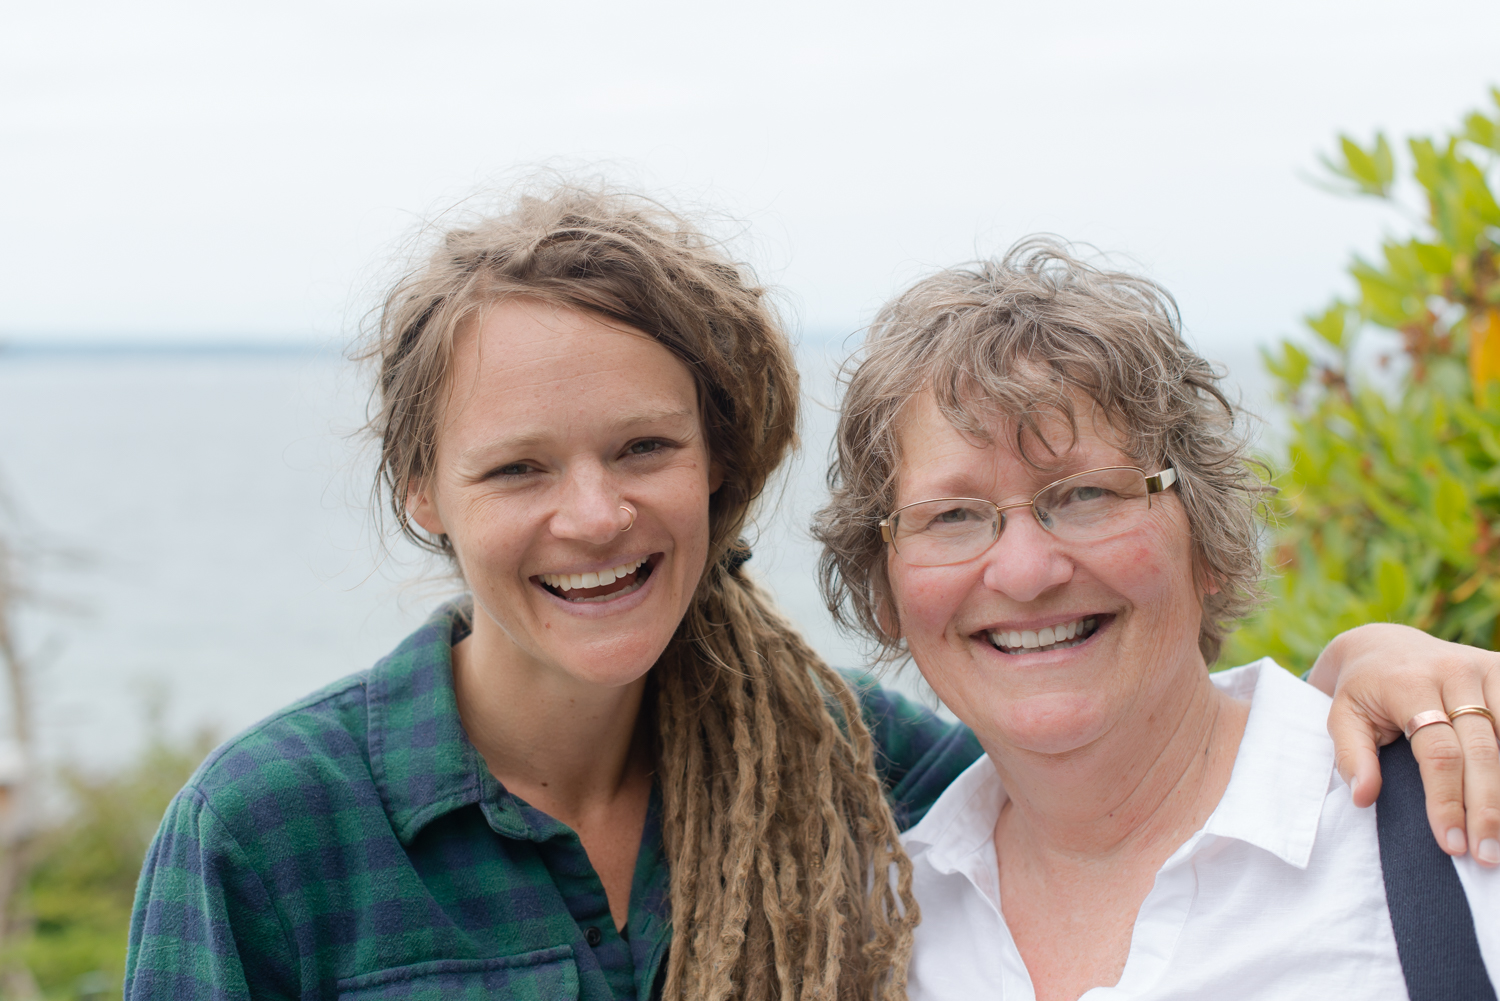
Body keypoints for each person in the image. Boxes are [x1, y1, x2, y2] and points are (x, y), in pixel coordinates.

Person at [125, 188, 1494, 1001]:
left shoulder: (865, 780)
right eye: (518, 467)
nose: (592, 513)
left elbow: (1110, 756)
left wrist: (1367, 669)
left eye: (645, 448)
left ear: (721, 466)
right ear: (425, 490)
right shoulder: (269, 833)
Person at [813, 239, 1500, 1000]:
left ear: (1205, 538)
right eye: (952, 515)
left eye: (1086, 494)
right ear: (887, 593)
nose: (1025, 570)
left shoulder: (1458, 825)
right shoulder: (879, 934)